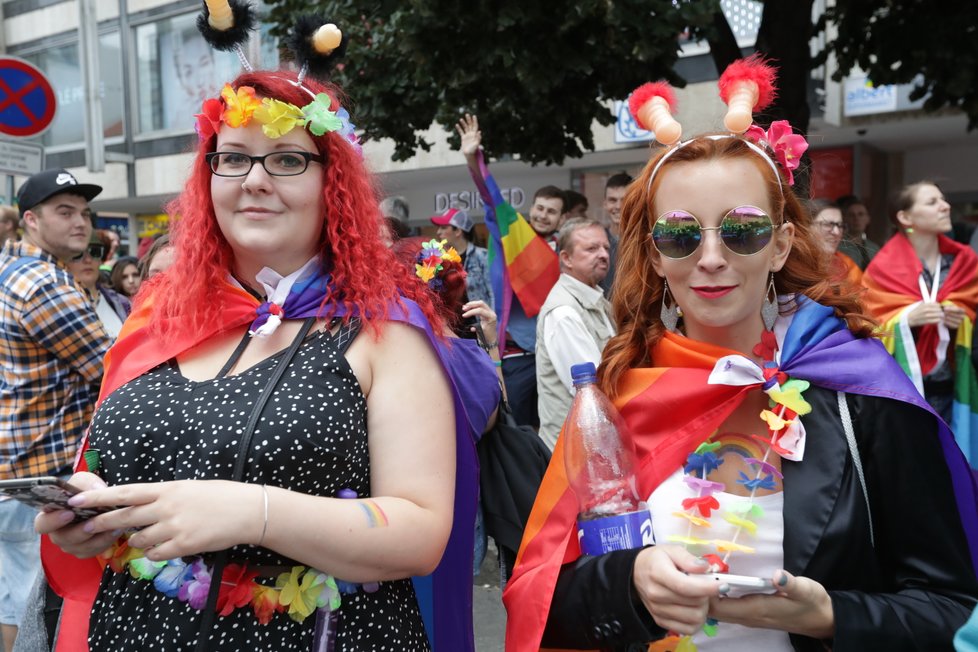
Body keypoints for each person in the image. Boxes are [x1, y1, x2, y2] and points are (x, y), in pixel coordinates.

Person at [38, 53, 480, 650]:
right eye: (234, 158)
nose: (254, 179)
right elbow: (111, 466)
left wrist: (254, 512)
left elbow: (422, 532)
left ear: (333, 183)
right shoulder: (160, 314)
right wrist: (90, 516)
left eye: (288, 159)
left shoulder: (384, 328)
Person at [503, 120, 978, 650]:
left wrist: (829, 615)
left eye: (742, 229)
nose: (710, 258)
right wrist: (630, 584)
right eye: (681, 234)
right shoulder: (618, 400)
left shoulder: (861, 396)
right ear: (656, 256)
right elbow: (540, 598)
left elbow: (953, 608)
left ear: (779, 246)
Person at [0, 167, 110, 652]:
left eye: (84, 213)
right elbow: (113, 370)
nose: (80, 223)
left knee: (13, 610)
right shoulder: (44, 282)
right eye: (64, 212)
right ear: (30, 220)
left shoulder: (8, 272)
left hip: (14, 472)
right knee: (41, 615)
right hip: (41, 478)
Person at [456, 114, 561, 429]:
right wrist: (473, 159)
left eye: (552, 211)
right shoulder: (513, 237)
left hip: (552, 360)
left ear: (562, 217)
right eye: (540, 208)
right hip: (513, 359)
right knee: (514, 432)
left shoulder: (569, 252)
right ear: (532, 209)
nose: (543, 215)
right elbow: (493, 200)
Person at [862, 181, 978, 458]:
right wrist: (904, 318)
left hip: (955, 387)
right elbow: (866, 326)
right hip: (903, 394)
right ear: (905, 217)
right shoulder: (882, 268)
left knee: (958, 466)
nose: (945, 206)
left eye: (943, 199)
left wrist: (962, 319)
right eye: (932, 202)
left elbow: (971, 307)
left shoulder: (964, 260)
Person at [535, 218, 614, 450]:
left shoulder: (594, 298)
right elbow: (594, 392)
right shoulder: (564, 312)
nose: (603, 255)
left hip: (595, 444)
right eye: (591, 248)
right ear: (566, 258)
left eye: (606, 248)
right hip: (576, 452)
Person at [430, 207, 494, 314]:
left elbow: (494, 294)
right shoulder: (440, 260)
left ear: (458, 231)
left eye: (444, 227)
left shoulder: (482, 256)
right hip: (452, 325)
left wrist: (494, 325)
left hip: (478, 324)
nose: (438, 232)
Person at [66, 238, 131, 338]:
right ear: (64, 262)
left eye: (95, 252)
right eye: (78, 254)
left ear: (101, 261)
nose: (88, 260)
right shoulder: (59, 303)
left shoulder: (123, 303)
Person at [808, 199, 862, 288]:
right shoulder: (793, 263)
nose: (836, 232)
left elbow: (861, 297)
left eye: (840, 225)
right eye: (828, 224)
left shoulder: (846, 265)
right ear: (806, 226)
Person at [600, 172, 633, 295]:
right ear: (605, 204)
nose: (618, 206)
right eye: (612, 200)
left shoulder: (645, 241)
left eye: (624, 200)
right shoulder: (595, 243)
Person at [836, 195, 881, 270]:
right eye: (851, 215)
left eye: (861, 214)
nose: (856, 218)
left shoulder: (874, 248)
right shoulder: (838, 246)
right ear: (844, 219)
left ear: (868, 219)